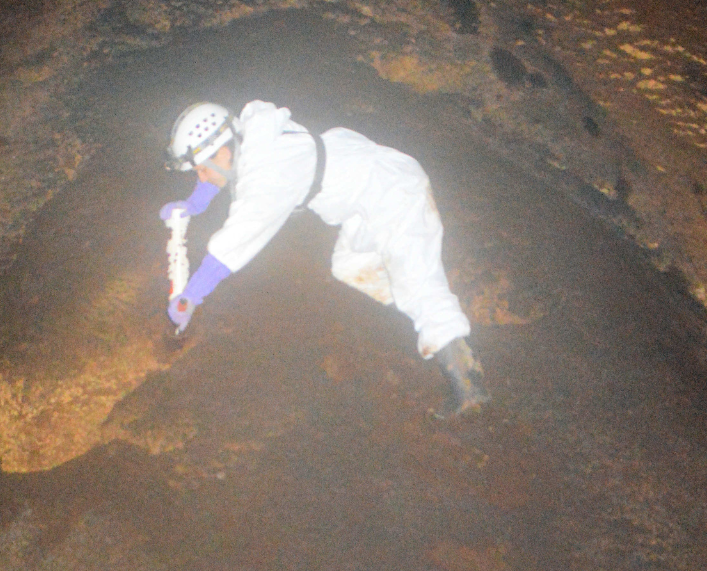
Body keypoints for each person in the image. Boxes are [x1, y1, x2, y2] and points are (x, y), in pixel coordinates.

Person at [159, 100, 489, 417]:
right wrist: (194, 204)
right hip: (365, 196)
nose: (201, 178)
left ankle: (468, 388)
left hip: (393, 192)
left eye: (201, 170)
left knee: (416, 282)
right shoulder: (252, 134)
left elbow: (234, 242)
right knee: (349, 266)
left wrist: (192, 295)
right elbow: (227, 172)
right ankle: (427, 307)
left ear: (224, 151)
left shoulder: (270, 175)